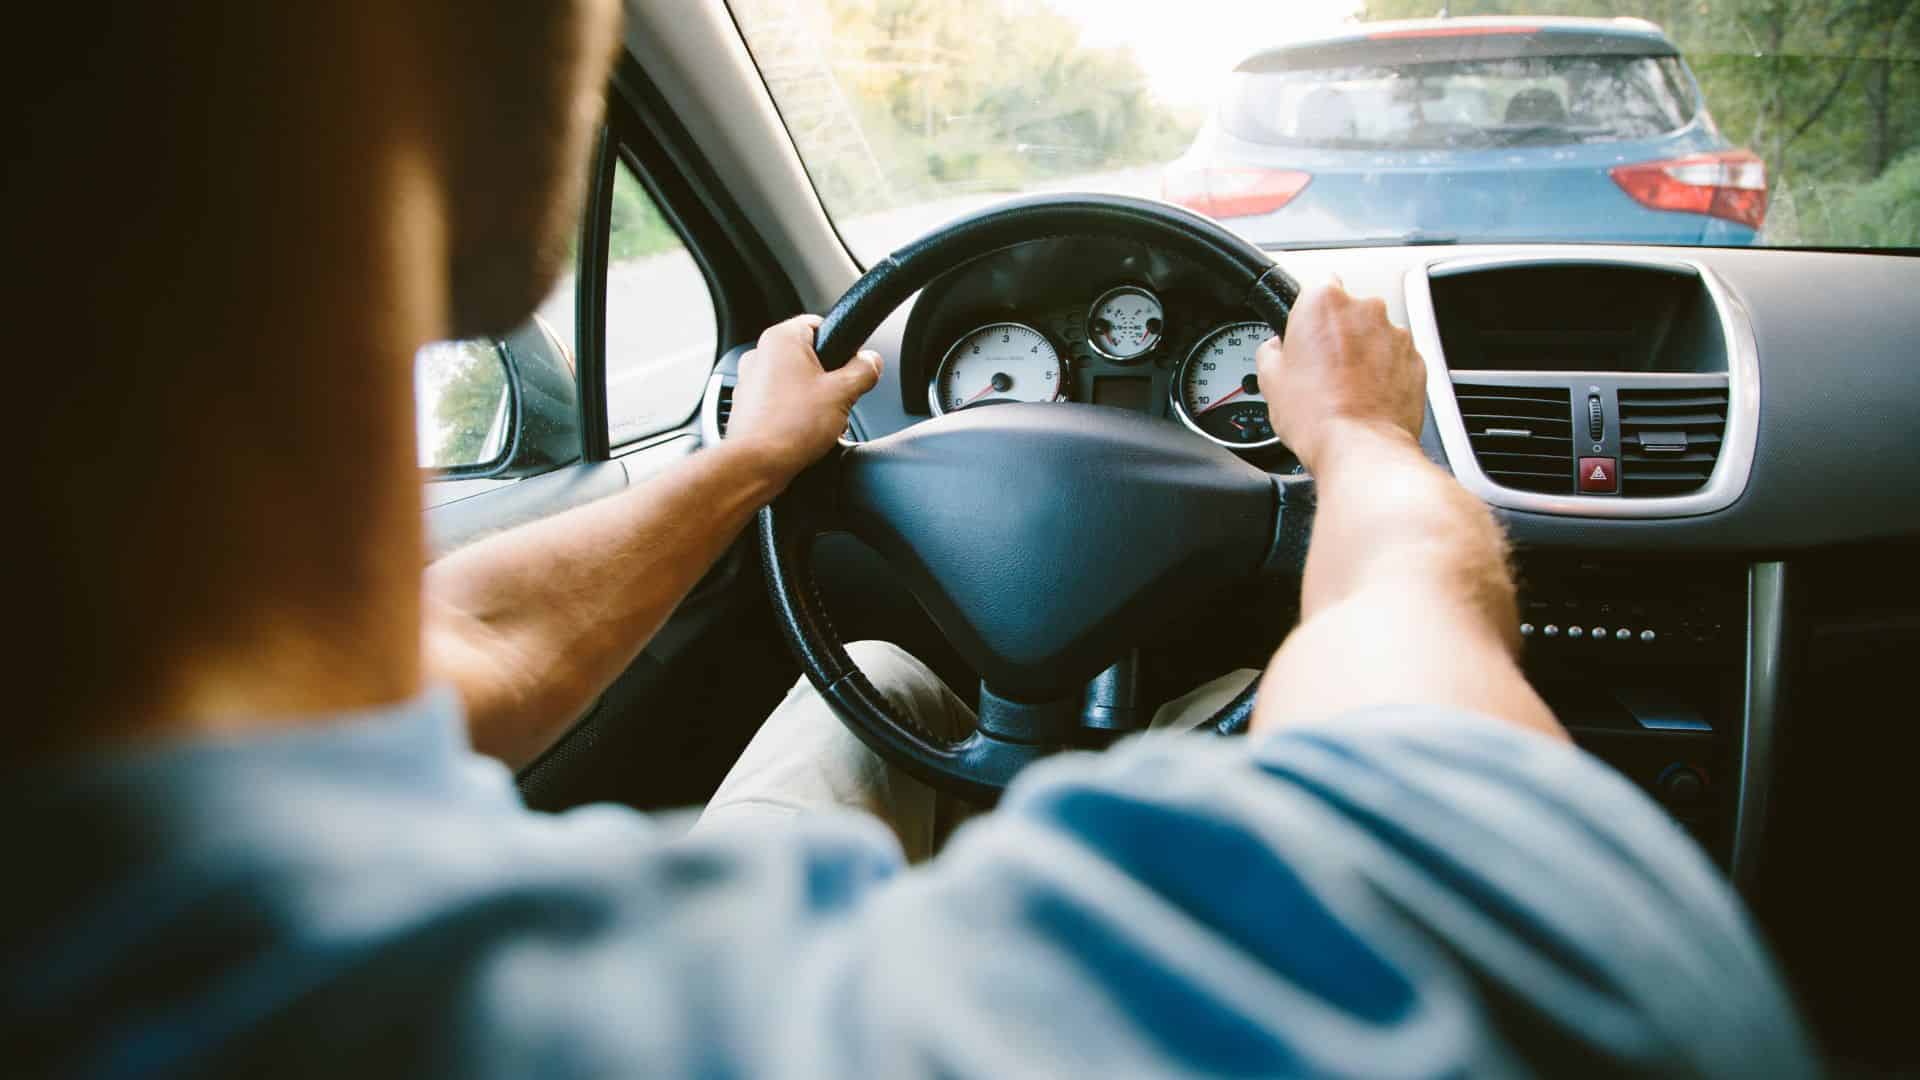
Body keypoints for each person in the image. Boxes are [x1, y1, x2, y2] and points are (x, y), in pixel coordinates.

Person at [5, 2, 1811, 1076]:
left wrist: (749, 466)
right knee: (1203, 693)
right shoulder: (1374, 988)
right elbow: (1461, 760)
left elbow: (463, 646)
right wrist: (1357, 451)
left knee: (877, 676)